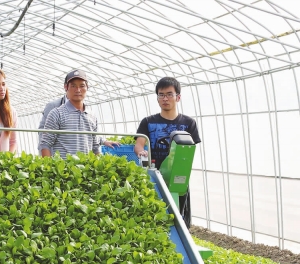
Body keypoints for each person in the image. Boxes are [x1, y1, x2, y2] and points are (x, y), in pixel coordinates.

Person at [134, 76, 201, 227]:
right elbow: (139, 144)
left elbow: (190, 150)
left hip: (178, 177)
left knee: (178, 218)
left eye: (169, 94)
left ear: (178, 97)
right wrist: (141, 152)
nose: (165, 98)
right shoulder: (148, 122)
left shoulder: (188, 123)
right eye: (161, 95)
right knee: (153, 217)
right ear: (157, 98)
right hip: (154, 178)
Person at [40, 69, 118, 158]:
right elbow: (45, 144)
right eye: (73, 86)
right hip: (64, 171)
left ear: (87, 88)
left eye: (82, 86)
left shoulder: (92, 115)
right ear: (66, 87)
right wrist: (49, 168)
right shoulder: (56, 113)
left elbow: (95, 146)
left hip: (86, 170)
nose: (78, 90)